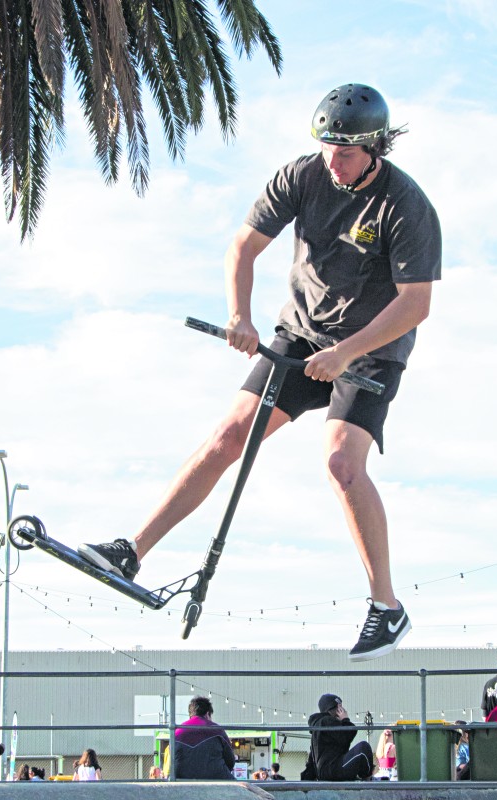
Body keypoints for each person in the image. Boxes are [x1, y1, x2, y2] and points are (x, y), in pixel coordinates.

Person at [78, 82, 442, 662]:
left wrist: (345, 353)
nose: (334, 162)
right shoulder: (302, 175)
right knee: (228, 436)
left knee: (342, 465)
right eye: (327, 148)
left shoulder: (405, 205)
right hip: (301, 334)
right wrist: (239, 316)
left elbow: (415, 304)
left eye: (346, 153)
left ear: (375, 147)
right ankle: (132, 551)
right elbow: (243, 248)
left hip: (371, 349)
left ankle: (386, 608)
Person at [308, 693, 374, 780]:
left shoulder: (319, 724)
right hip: (331, 770)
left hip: (327, 770)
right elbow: (347, 736)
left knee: (360, 752)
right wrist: (345, 720)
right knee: (363, 748)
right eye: (339, 707)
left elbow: (311, 757)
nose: (342, 710)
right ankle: (367, 777)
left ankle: (362, 776)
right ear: (331, 708)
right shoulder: (326, 721)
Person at [172, 696, 235, 780]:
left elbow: (172, 760)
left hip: (182, 778)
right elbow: (230, 761)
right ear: (207, 714)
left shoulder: (177, 731)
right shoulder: (217, 730)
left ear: (190, 714)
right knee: (241, 785)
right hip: (216, 777)